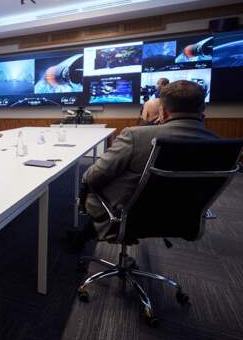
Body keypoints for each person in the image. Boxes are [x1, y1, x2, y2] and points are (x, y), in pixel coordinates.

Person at [71, 80, 219, 249]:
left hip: (129, 216)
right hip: (185, 218)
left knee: (95, 181)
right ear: (202, 109)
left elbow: (94, 176)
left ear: (163, 111)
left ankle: (83, 236)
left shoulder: (136, 136)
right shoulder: (219, 145)